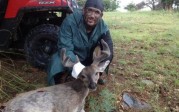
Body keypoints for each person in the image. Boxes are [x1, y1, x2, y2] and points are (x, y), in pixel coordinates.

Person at [47, 0, 113, 85]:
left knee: (103, 53)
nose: (92, 16)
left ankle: (93, 75)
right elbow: (65, 47)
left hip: (89, 58)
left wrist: (97, 71)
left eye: (97, 12)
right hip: (73, 56)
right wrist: (78, 66)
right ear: (83, 10)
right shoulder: (70, 21)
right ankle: (61, 79)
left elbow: (109, 50)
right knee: (57, 60)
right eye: (90, 10)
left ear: (101, 15)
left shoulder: (103, 27)